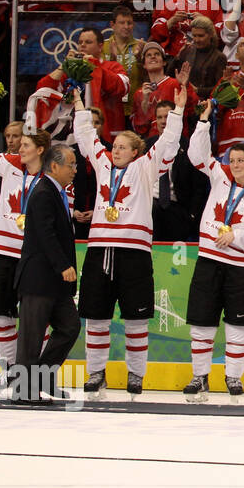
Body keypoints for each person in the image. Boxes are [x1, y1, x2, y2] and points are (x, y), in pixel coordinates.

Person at [72, 82, 186, 398]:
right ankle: (96, 373)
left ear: (135, 150)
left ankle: (136, 374)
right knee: (95, 317)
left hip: (134, 254)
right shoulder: (102, 163)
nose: (115, 150)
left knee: (136, 319)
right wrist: (80, 105)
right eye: (114, 146)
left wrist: (177, 111)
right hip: (99, 250)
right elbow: (85, 138)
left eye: (122, 146)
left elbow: (168, 143)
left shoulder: (146, 167)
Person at [181, 100, 244, 403]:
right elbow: (196, 153)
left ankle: (233, 377)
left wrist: (235, 235)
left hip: (242, 271)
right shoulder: (219, 176)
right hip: (209, 263)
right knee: (202, 323)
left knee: (238, 326)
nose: (234, 165)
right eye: (232, 160)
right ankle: (199, 377)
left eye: (240, 160)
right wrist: (204, 119)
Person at [11, 144, 79, 402]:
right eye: (70, 165)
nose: (74, 170)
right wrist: (63, 265)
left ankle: (41, 377)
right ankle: (23, 390)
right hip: (39, 278)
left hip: (56, 282)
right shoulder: (42, 193)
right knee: (31, 336)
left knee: (69, 327)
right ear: (54, 166)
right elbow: (45, 234)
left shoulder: (56, 192)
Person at [0, 129, 51, 382]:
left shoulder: (52, 178)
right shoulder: (10, 165)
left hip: (33, 256)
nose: (19, 149)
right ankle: (10, 369)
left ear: (40, 150)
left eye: (25, 145)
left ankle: (32, 372)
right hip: (2, 250)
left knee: (36, 316)